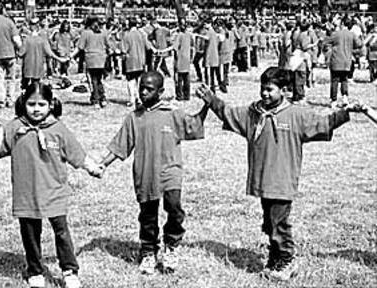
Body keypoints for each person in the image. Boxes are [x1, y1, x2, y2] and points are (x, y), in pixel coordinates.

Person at [195, 66, 364, 282]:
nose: (264, 94)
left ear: (284, 90)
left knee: (279, 222)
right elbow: (228, 112)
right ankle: (274, 258)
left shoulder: (296, 115)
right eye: (262, 89)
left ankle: (287, 260)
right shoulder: (254, 113)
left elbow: (324, 123)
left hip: (282, 179)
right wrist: (211, 99)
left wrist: (346, 113)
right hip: (263, 179)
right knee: (269, 222)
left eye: (270, 90)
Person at [0, 82, 103, 288]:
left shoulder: (58, 129)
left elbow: (76, 153)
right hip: (26, 193)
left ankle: (69, 271)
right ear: (24, 103)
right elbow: (1, 148)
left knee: (61, 232)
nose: (36, 108)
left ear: (50, 104)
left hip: (54, 191)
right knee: (30, 233)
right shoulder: (16, 127)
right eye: (31, 104)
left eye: (41, 104)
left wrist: (92, 168)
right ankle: (35, 270)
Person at [98, 71, 209, 275]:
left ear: (161, 91)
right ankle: (148, 251)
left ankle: (171, 246)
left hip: (170, 171)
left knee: (174, 209)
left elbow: (194, 125)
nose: (143, 92)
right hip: (146, 172)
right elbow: (120, 145)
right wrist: (103, 164)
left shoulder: (172, 114)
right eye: (141, 88)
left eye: (149, 89)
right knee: (148, 215)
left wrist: (207, 105)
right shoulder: (134, 117)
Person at [71, 15, 111, 108]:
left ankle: (96, 100)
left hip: (90, 58)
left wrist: (71, 56)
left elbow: (79, 47)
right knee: (99, 79)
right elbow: (108, 46)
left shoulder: (85, 33)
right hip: (101, 58)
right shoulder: (103, 33)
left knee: (93, 80)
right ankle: (103, 98)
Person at [323, 16, 362, 108]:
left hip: (336, 60)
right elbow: (360, 44)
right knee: (344, 80)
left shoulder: (335, 34)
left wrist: (328, 50)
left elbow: (325, 43)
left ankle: (333, 100)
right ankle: (345, 98)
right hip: (347, 61)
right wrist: (352, 50)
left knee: (335, 80)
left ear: (342, 24)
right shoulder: (352, 34)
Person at [19, 18, 67, 90]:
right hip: (38, 68)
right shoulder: (42, 40)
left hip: (27, 68)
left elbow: (21, 54)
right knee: (36, 86)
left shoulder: (27, 40)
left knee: (24, 87)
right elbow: (50, 53)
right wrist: (60, 59)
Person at [121, 16, 152, 107]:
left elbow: (124, 50)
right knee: (139, 81)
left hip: (130, 61)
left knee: (131, 81)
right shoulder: (142, 34)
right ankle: (140, 98)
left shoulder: (126, 35)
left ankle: (132, 99)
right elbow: (148, 47)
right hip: (141, 61)